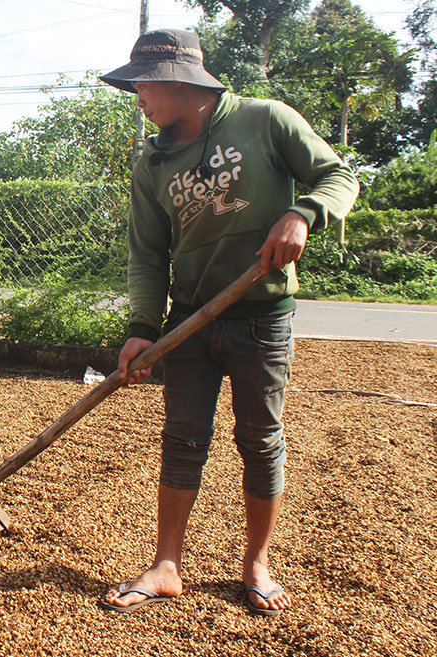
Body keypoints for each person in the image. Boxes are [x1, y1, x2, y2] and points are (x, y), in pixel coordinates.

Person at [96, 29, 359, 615]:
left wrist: (302, 212)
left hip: (262, 316)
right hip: (188, 322)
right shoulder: (153, 160)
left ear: (179, 80)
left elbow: (339, 176)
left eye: (143, 82)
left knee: (260, 441)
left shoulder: (266, 120)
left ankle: (256, 564)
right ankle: (166, 566)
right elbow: (146, 253)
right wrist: (143, 327)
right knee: (183, 441)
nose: (137, 93)